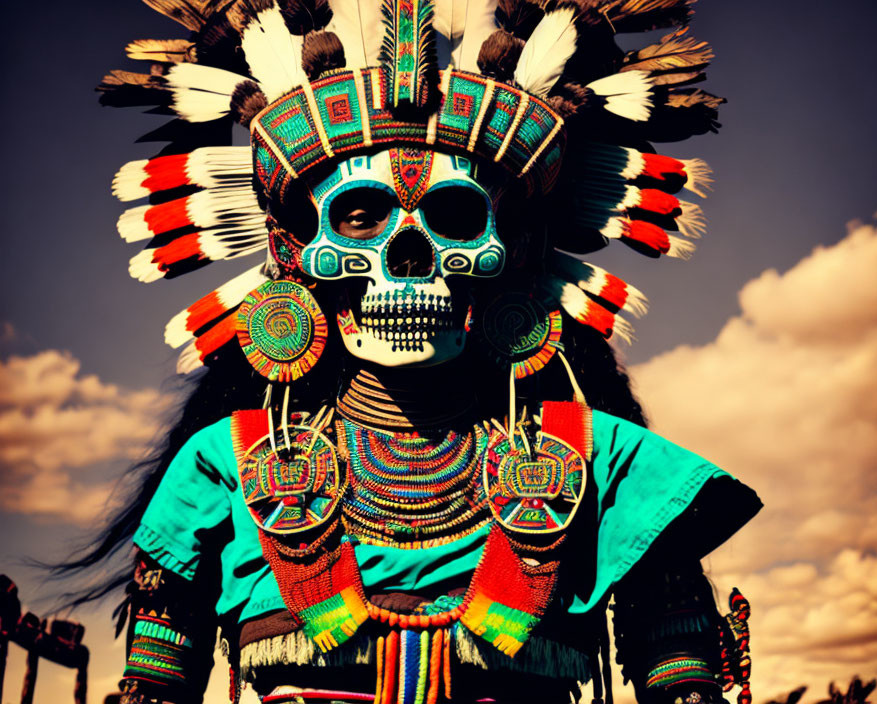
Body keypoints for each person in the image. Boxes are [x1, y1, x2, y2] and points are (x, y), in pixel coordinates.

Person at [79, 1, 761, 702]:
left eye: (456, 219)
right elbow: (153, 688)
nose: (406, 257)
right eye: (357, 217)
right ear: (292, 253)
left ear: (515, 252)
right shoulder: (221, 466)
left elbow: (684, 686)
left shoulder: (606, 462)